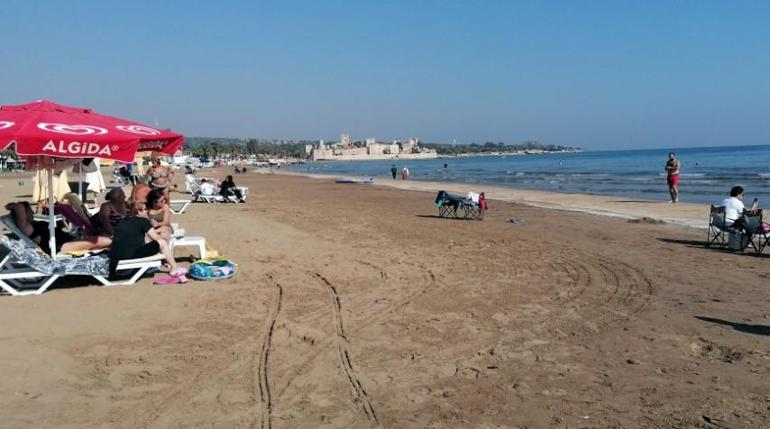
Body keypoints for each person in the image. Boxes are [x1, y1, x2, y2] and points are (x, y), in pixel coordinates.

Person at [109, 201, 184, 278]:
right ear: (138, 212)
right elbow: (156, 238)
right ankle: (175, 268)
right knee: (162, 243)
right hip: (132, 255)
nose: (147, 211)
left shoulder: (121, 221)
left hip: (116, 256)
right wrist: (166, 235)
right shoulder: (143, 221)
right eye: (145, 209)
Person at [5, 201, 109, 254]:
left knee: (105, 237)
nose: (32, 212)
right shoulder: (27, 228)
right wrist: (15, 206)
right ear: (23, 213)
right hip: (58, 248)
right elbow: (19, 209)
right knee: (106, 241)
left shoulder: (33, 225)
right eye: (29, 210)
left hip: (68, 239)